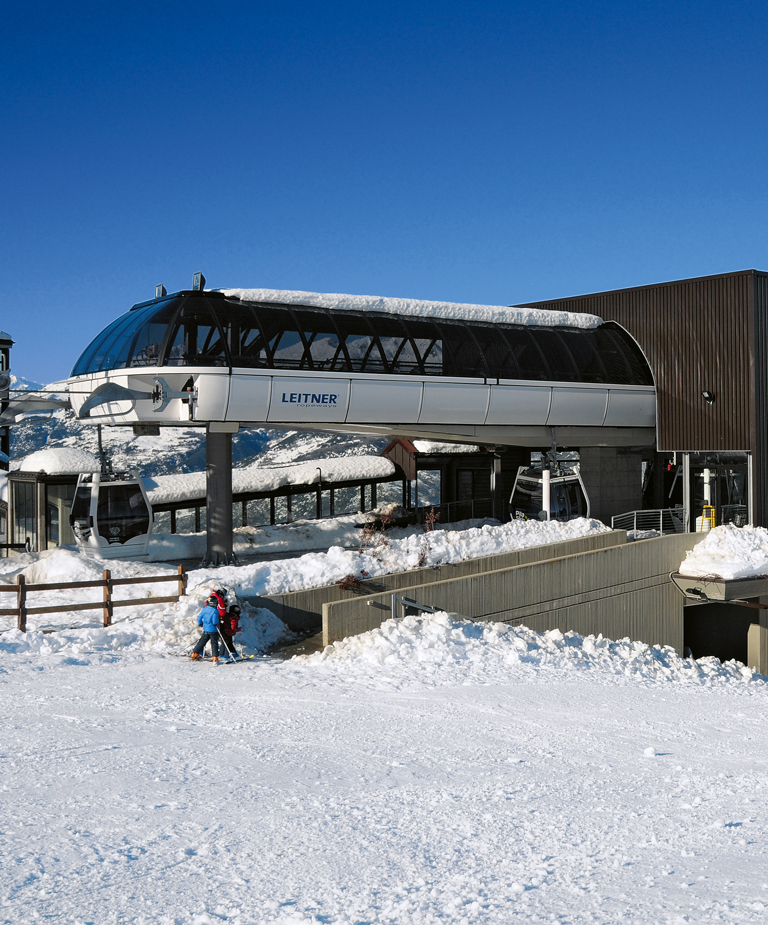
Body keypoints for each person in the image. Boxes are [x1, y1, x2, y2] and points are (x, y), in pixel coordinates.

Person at [190, 595, 222, 664]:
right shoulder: (215, 611)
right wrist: (216, 624)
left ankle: (194, 653)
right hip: (213, 630)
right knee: (214, 643)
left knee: (202, 641)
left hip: (206, 629)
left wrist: (200, 623)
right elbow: (214, 620)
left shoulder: (204, 609)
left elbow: (199, 618)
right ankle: (215, 657)